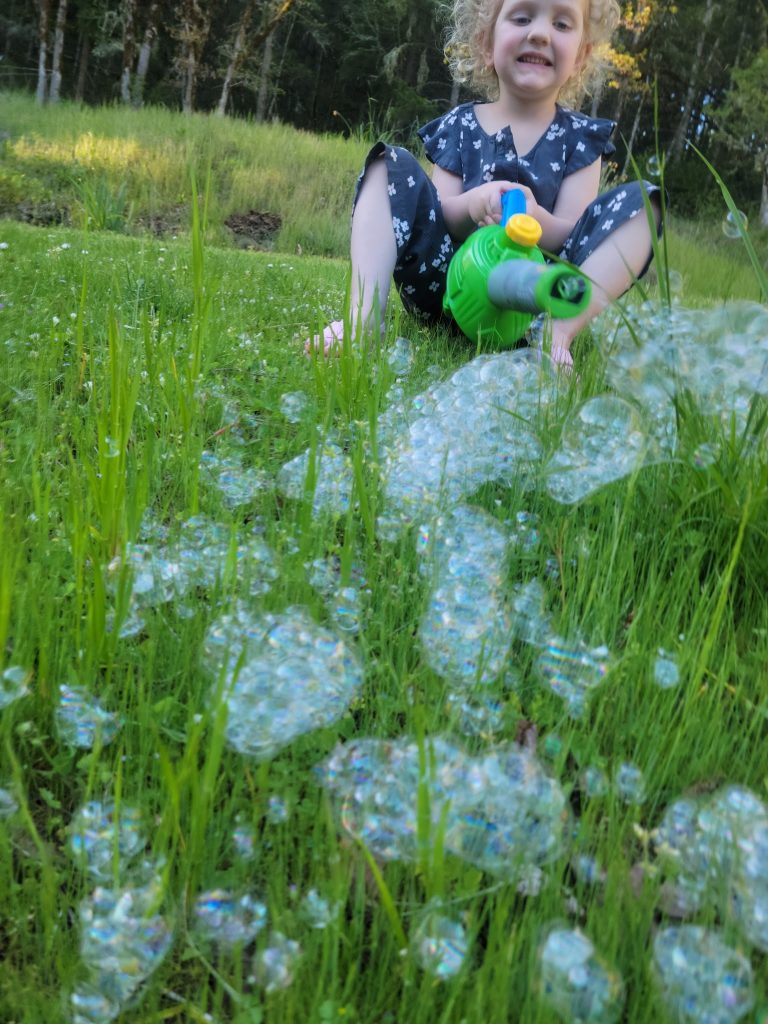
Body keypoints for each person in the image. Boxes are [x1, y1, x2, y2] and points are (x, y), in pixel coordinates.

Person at [306, 0, 660, 369]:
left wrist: (536, 218)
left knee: (644, 203)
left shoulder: (580, 139)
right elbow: (438, 219)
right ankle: (364, 319)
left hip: (535, 303)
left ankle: (555, 336)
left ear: (582, 57)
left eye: (562, 24)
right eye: (522, 17)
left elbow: (570, 238)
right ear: (486, 43)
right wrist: (474, 205)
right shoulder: (459, 126)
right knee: (388, 164)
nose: (539, 33)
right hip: (447, 295)